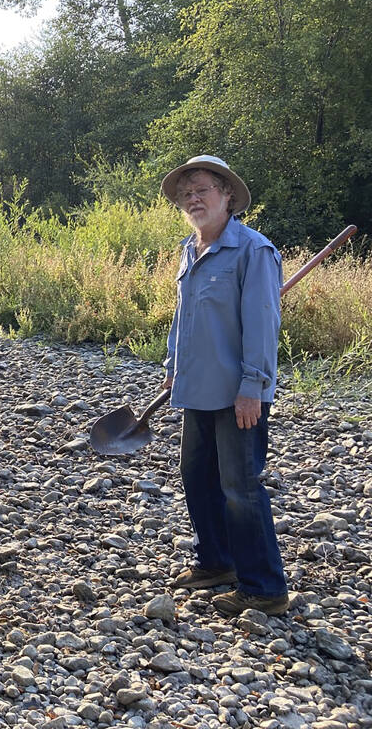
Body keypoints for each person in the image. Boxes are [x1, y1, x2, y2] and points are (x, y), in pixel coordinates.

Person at [160, 155, 290, 616]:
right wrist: (174, 362)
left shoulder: (254, 251)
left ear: (227, 196)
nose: (193, 199)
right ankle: (216, 562)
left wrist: (253, 385)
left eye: (202, 190)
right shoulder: (189, 249)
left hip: (239, 394)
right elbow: (184, 317)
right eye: (186, 194)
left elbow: (262, 325)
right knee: (196, 477)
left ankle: (264, 587)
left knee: (240, 487)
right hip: (197, 386)